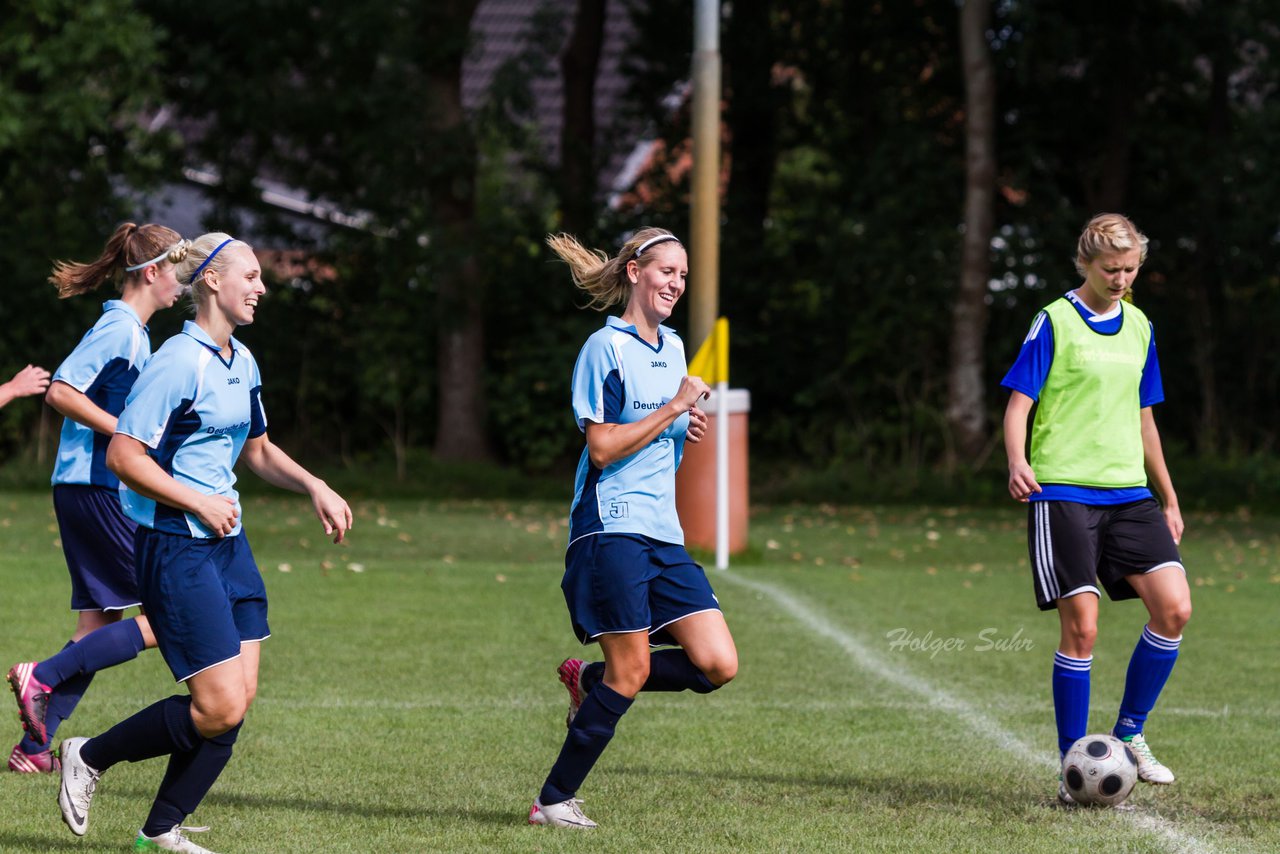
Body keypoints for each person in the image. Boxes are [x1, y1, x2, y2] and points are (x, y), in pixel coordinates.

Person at [56, 232, 352, 854]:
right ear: (213, 280)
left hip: (229, 547)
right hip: (175, 546)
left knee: (236, 702)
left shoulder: (241, 361)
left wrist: (314, 485)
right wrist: (195, 499)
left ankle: (159, 831)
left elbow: (259, 451)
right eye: (251, 276)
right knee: (217, 707)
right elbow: (123, 455)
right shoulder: (176, 360)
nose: (262, 288)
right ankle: (88, 755)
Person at [528, 228, 739, 829]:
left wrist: (682, 425)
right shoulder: (605, 348)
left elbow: (650, 427)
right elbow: (600, 448)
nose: (675, 283)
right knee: (635, 670)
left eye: (682, 274)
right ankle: (552, 801)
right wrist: (673, 410)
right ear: (634, 272)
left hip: (661, 532)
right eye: (665, 271)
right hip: (610, 528)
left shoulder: (673, 348)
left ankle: (589, 680)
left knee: (717, 663)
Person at [1001, 213, 1191, 805]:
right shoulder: (1054, 320)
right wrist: (1016, 460)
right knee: (1082, 626)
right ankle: (1071, 766)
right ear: (1084, 263)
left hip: (1129, 494)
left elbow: (1145, 418)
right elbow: (1018, 403)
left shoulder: (1140, 325)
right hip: (1063, 491)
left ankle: (1130, 733)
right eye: (1111, 268)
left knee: (1175, 608)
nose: (1121, 278)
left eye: (1131, 269)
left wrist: (1168, 494)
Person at [7, 223, 185, 774]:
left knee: (100, 625)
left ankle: (35, 750)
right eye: (179, 271)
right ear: (152, 272)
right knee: (169, 615)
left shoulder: (135, 332)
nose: (184, 284)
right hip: (97, 488)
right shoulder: (123, 329)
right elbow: (62, 390)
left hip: (87, 488)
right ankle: (42, 676)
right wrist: (126, 433)